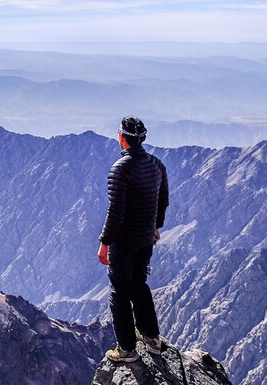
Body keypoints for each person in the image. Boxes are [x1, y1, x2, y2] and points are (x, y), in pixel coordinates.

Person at [97, 116, 169, 363]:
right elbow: (163, 200)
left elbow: (115, 212)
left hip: (124, 242)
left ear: (122, 138)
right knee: (139, 286)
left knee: (119, 292)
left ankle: (127, 349)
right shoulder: (157, 165)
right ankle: (152, 339)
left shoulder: (120, 169)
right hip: (146, 240)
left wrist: (104, 243)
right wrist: (156, 227)